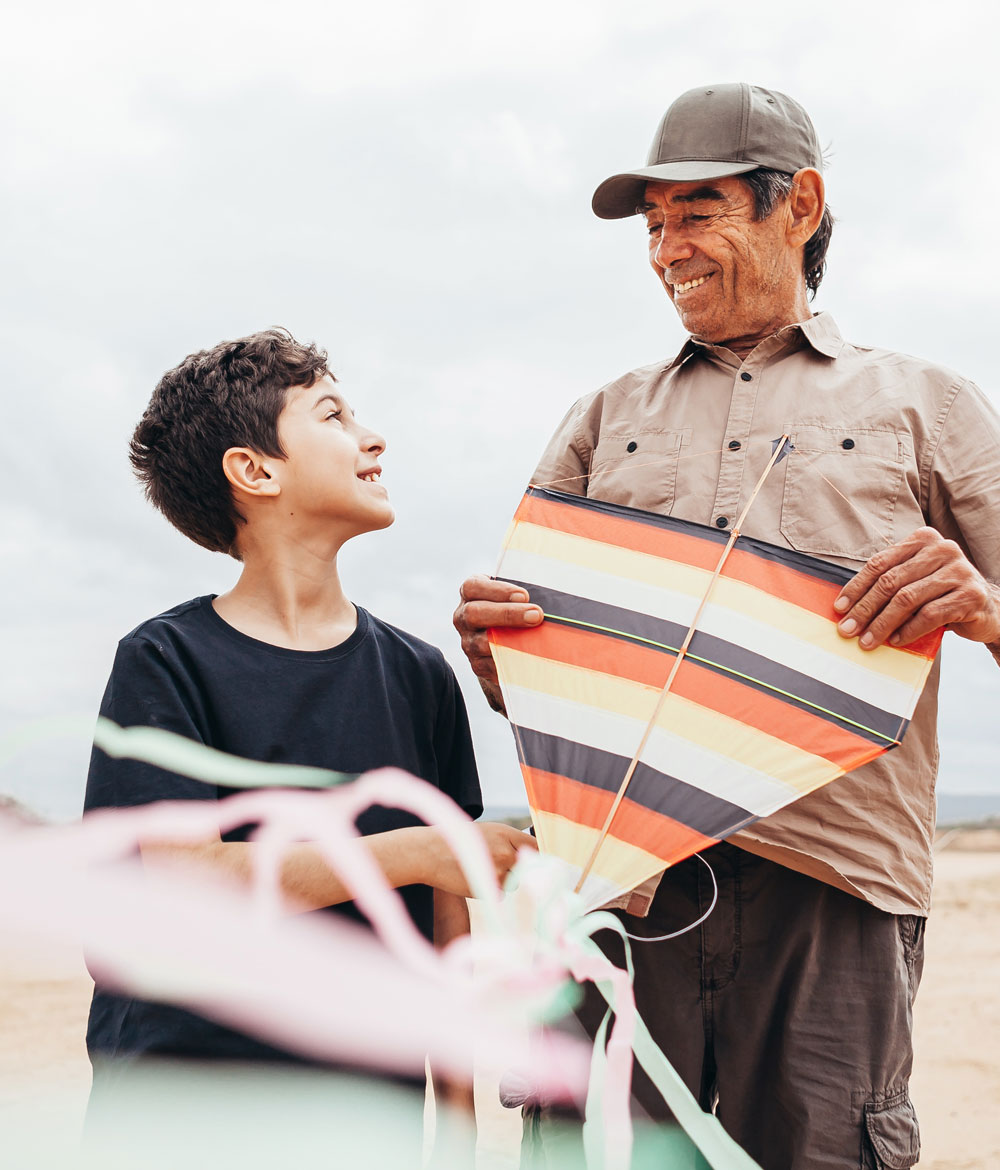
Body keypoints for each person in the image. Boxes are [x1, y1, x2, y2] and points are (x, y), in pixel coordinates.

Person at [453, 83, 1000, 1169]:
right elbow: (535, 686)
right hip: (616, 879)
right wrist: (495, 648)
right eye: (653, 228)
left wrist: (980, 606)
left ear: (797, 204)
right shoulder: (600, 419)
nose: (667, 251)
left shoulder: (926, 405)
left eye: (695, 212)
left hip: (833, 883)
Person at [84, 327, 531, 1083]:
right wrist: (416, 850)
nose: (371, 436)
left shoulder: (419, 675)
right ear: (254, 470)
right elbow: (188, 882)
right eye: (333, 416)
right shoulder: (163, 662)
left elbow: (445, 920)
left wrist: (455, 1127)